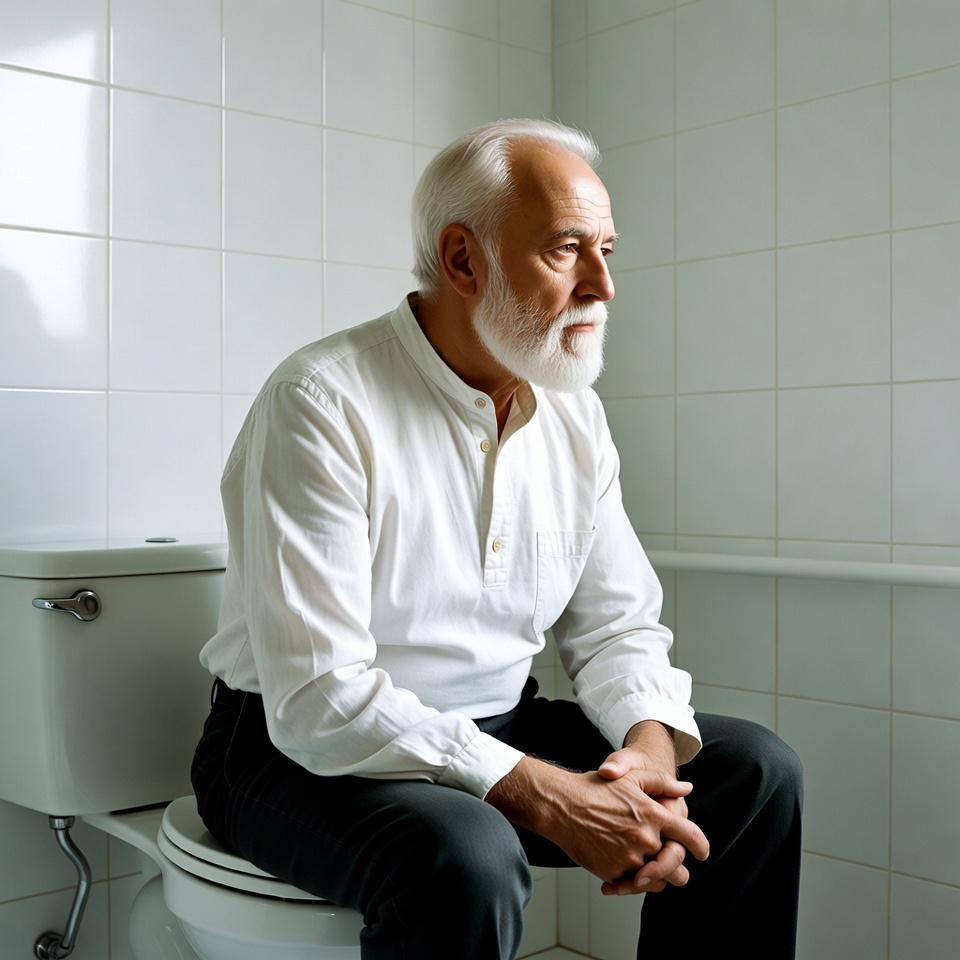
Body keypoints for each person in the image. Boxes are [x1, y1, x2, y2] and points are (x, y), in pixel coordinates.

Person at [192, 118, 802, 959]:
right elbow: (321, 697)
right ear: (462, 259)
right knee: (467, 857)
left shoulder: (574, 414)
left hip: (495, 721)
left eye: (607, 250)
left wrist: (648, 762)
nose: (603, 285)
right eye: (565, 249)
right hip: (287, 751)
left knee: (754, 775)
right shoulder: (321, 403)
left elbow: (618, 627)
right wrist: (550, 798)